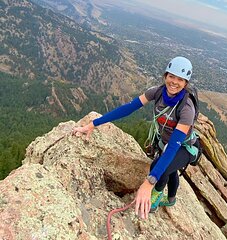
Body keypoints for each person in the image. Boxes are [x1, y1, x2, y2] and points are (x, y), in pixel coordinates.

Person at [72, 56, 200, 220]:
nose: (174, 82)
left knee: (161, 167)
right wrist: (92, 124)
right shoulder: (157, 92)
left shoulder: (186, 108)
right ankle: (172, 199)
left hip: (184, 147)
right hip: (166, 143)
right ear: (165, 76)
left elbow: (173, 148)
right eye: (171, 76)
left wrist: (148, 184)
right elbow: (127, 108)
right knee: (169, 167)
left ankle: (156, 196)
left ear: (185, 83)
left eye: (180, 79)